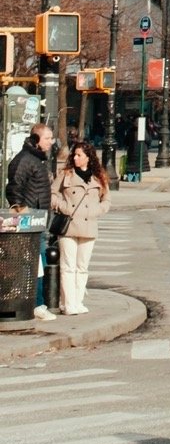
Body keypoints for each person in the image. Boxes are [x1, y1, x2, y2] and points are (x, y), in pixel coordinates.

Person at [50, 141, 110, 315]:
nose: (75, 158)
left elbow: (106, 200)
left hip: (89, 225)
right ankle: (68, 304)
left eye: (79, 155)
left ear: (88, 158)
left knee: (82, 267)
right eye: (74, 155)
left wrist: (96, 211)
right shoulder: (65, 174)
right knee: (68, 266)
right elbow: (53, 193)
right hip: (69, 225)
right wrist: (62, 206)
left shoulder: (99, 177)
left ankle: (78, 301)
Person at [6, 123, 56, 321]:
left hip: (38, 220)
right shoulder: (26, 160)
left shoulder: (36, 160)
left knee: (38, 262)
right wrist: (23, 211)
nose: (51, 142)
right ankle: (36, 304)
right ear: (36, 139)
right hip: (30, 222)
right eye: (47, 138)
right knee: (36, 264)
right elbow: (13, 188)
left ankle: (35, 302)